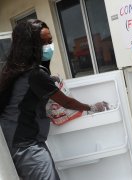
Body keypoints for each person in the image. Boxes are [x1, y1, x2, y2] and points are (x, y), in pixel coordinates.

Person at [0, 19, 107, 180]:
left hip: (14, 139)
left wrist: (49, 79)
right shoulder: (35, 74)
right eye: (43, 42)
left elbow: (25, 91)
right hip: (25, 145)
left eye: (50, 41)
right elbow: (67, 102)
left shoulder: (14, 67)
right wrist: (92, 107)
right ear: (30, 45)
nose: (49, 46)